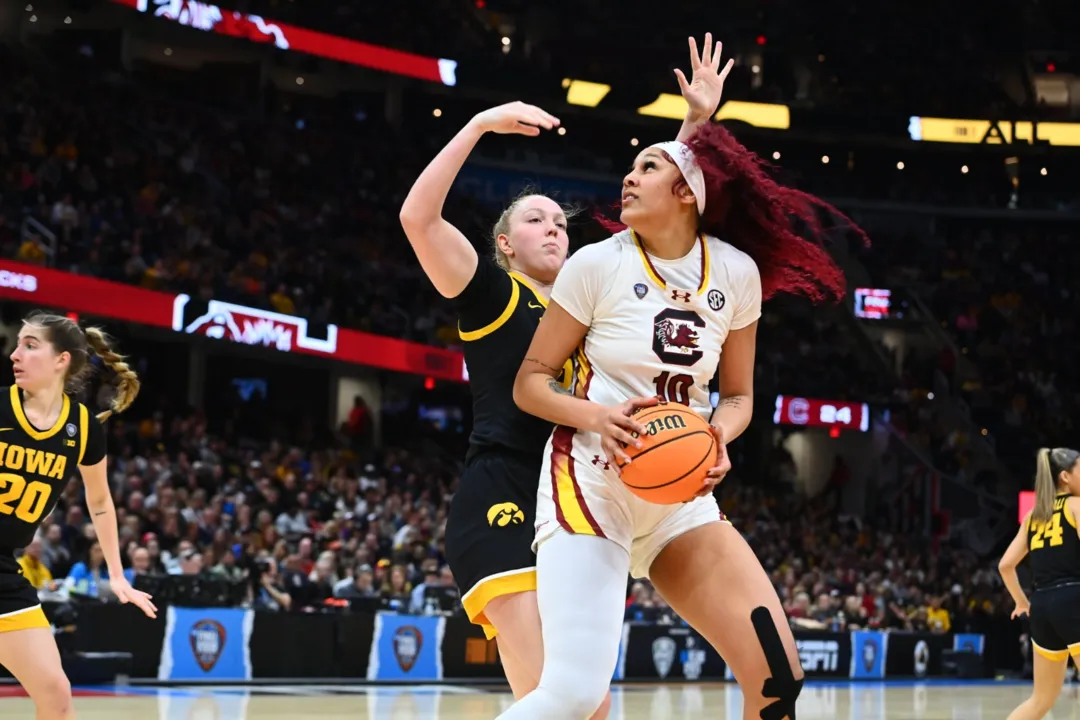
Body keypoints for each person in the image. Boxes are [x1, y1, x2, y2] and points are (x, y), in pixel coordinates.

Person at [400, 35, 731, 707]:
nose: (555, 228)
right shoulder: (493, 293)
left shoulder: (591, 305)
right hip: (503, 495)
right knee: (576, 698)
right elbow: (417, 217)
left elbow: (654, 217)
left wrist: (693, 125)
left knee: (576, 703)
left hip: (571, 505)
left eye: (560, 220)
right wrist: (480, 124)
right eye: (534, 220)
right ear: (504, 244)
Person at [506, 113, 869, 717]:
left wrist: (718, 435)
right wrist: (597, 416)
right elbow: (530, 383)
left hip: (681, 493)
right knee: (573, 693)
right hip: (591, 482)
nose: (627, 178)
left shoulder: (735, 272)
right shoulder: (596, 264)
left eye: (646, 167)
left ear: (686, 193)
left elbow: (738, 398)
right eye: (630, 167)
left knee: (778, 678)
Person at [1, 311, 156, 719]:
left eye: (30, 345)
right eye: (17, 343)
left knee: (57, 696)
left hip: (3, 570)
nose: (15, 353)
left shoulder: (83, 428)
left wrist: (118, 575)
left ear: (61, 360)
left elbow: (101, 502)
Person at [1000, 447, 1080, 720]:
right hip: (1074, 600)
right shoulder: (1076, 505)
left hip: (1042, 607)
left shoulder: (1034, 515)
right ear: (1066, 477)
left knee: (1040, 701)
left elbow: (1005, 565)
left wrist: (1022, 602)